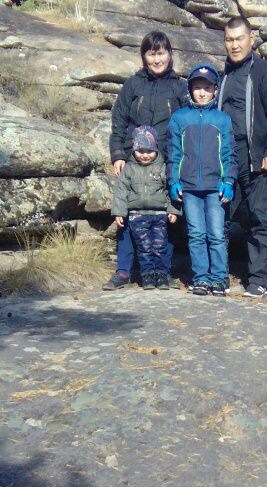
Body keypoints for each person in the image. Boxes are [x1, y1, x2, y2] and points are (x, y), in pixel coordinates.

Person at [103, 30, 188, 291]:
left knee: (166, 217)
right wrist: (118, 154)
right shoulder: (133, 85)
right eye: (151, 54)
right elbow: (119, 121)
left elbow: (188, 125)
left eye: (161, 53)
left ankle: (163, 272)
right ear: (144, 56)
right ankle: (123, 271)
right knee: (128, 214)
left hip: (167, 162)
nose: (157, 59)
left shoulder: (179, 87)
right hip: (134, 160)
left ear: (170, 54)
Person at [217, 17, 267, 298]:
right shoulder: (222, 75)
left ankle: (258, 279)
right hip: (227, 161)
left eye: (239, 39)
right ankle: (218, 276)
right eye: (229, 40)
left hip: (258, 161)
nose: (234, 45)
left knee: (260, 219)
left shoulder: (266, 73)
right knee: (221, 218)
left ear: (251, 39)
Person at [166, 64, 236, 297]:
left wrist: (229, 181)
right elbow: (173, 152)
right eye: (197, 87)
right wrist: (173, 181)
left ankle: (219, 278)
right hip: (189, 189)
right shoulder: (179, 118)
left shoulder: (222, 120)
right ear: (190, 89)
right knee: (196, 234)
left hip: (215, 188)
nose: (202, 92)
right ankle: (201, 278)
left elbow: (229, 154)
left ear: (215, 90)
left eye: (207, 88)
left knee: (216, 234)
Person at [111, 126, 178, 290]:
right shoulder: (129, 168)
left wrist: (173, 210)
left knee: (160, 246)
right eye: (140, 151)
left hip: (159, 215)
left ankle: (162, 275)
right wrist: (119, 212)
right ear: (134, 149)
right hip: (137, 215)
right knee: (145, 247)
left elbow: (170, 190)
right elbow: (121, 192)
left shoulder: (163, 167)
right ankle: (147, 276)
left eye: (149, 151)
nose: (145, 155)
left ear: (156, 149)